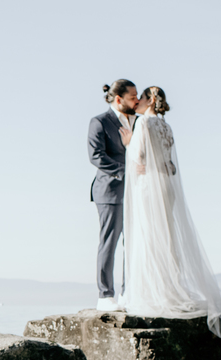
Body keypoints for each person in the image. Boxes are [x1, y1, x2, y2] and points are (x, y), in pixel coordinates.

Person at [121, 86, 221, 339]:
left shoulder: (144, 124)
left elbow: (140, 158)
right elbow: (171, 165)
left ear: (150, 100)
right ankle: (172, 286)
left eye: (141, 98)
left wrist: (128, 143)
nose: (138, 103)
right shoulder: (167, 127)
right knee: (167, 235)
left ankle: (157, 291)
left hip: (150, 187)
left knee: (151, 235)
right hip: (167, 186)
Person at [89, 79, 139, 312]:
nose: (136, 100)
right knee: (109, 242)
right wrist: (126, 171)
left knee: (133, 243)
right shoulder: (99, 122)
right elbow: (96, 157)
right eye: (132, 97)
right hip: (110, 191)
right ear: (118, 99)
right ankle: (105, 295)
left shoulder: (139, 122)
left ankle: (128, 292)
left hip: (137, 193)